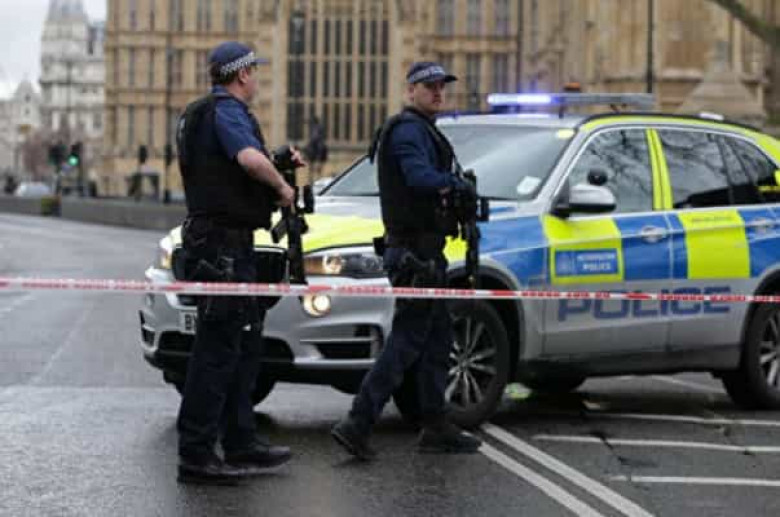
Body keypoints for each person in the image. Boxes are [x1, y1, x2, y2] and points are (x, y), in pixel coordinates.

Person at [331, 62, 482, 460]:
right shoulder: (408, 131)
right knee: (406, 341)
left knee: (438, 340)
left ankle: (435, 424)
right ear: (411, 90)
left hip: (426, 251)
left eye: (441, 86)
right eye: (429, 86)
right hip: (414, 254)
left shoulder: (421, 129)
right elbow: (418, 178)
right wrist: (456, 185)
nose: (438, 92)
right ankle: (357, 422)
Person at [175, 41, 303, 484]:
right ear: (242, 73)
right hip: (223, 248)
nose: (258, 79)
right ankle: (196, 455)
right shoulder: (226, 111)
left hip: (221, 245)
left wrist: (277, 161)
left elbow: (224, 169)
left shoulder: (201, 113)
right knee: (216, 352)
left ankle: (240, 440)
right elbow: (247, 160)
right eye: (254, 71)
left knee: (240, 346)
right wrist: (282, 187)